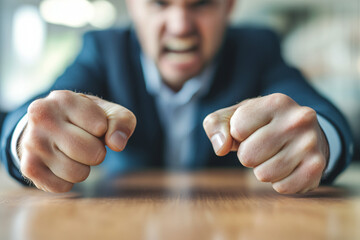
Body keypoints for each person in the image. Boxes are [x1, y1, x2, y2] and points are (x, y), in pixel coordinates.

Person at [0, 0, 354, 194]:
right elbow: (33, 114)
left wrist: (319, 141)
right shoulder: (102, 50)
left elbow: (320, 115)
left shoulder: (257, 49)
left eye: (201, 4)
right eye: (159, 3)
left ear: (228, 6)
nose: (181, 24)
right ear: (132, 6)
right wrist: (26, 139)